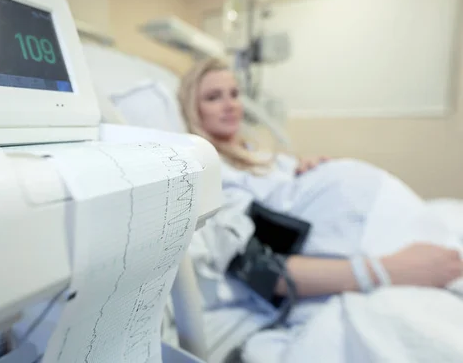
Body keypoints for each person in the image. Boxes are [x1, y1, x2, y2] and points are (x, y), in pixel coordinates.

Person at [177, 58, 463, 361]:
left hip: (390, 217)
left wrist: (310, 171)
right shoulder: (210, 175)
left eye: (234, 94)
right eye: (213, 97)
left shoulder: (258, 155)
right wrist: (387, 270)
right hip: (372, 252)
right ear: (191, 110)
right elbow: (261, 271)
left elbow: (296, 200)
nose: (230, 105)